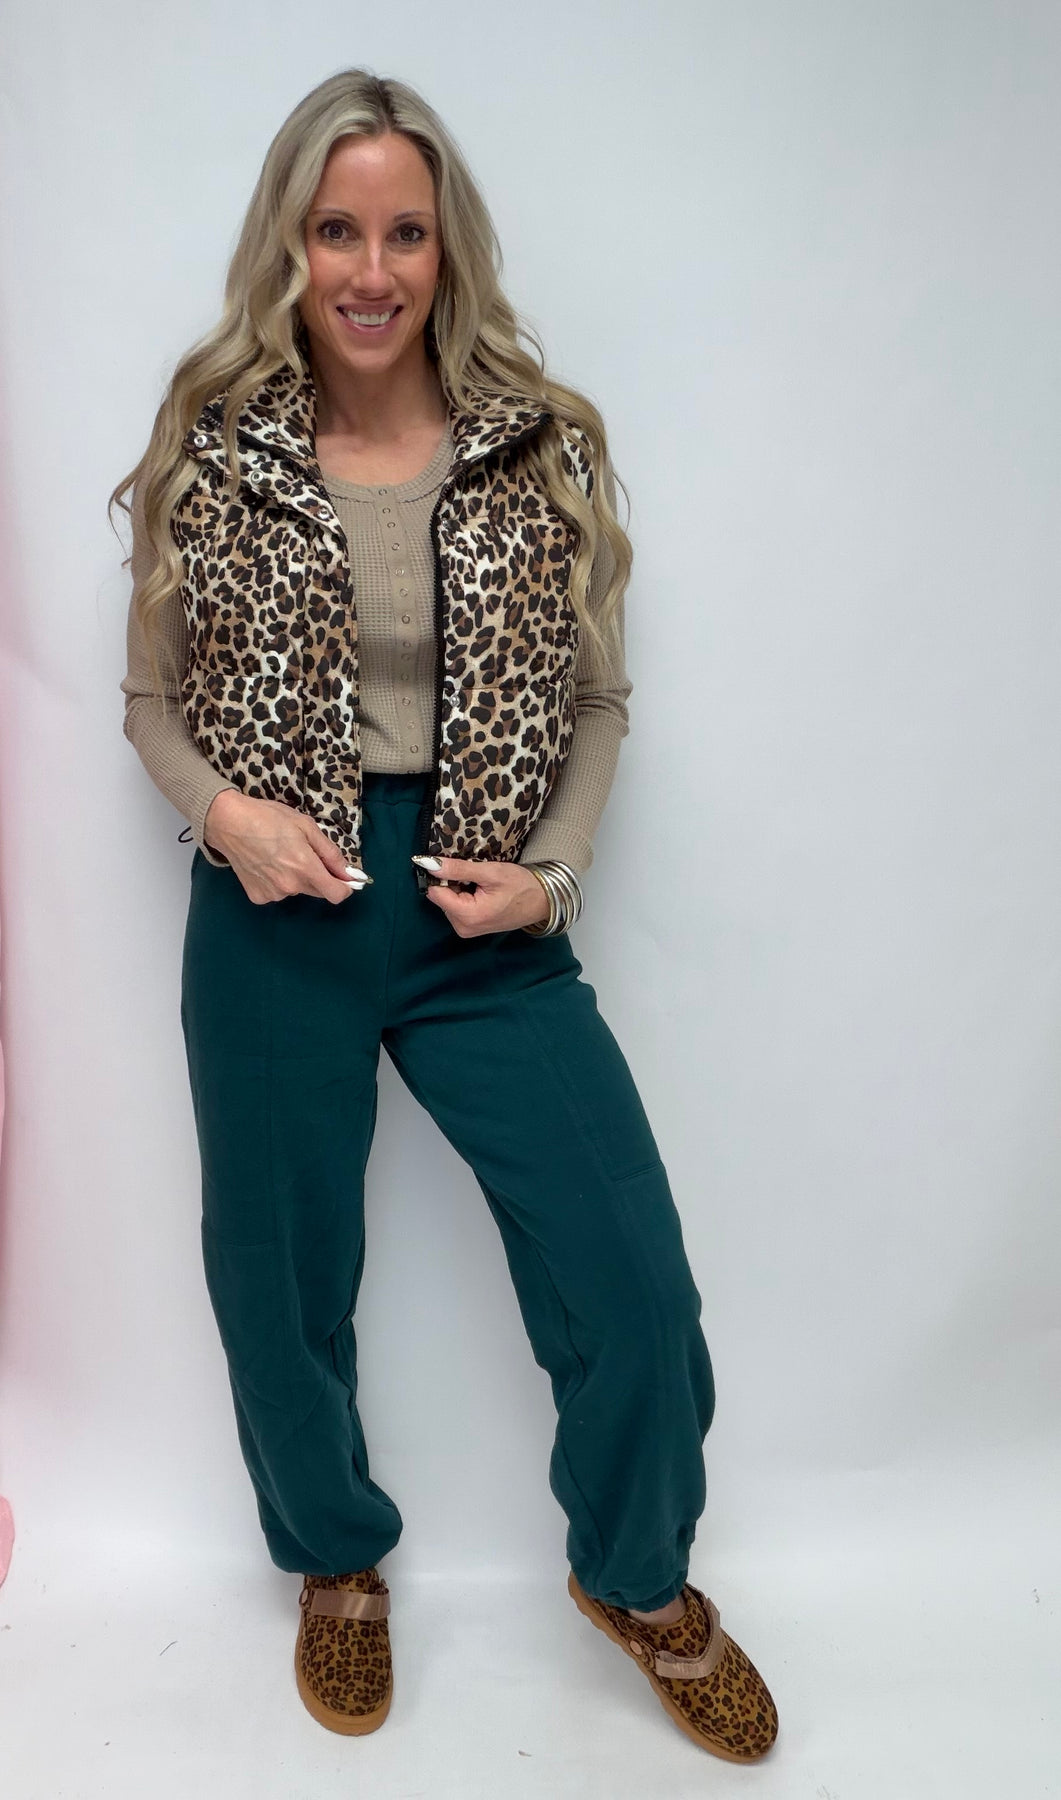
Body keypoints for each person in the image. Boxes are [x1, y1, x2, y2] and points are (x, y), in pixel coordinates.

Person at [115, 68, 778, 1762]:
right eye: (335, 230)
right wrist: (230, 821)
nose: (369, 269)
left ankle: (634, 1577)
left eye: (403, 232)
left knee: (631, 1282)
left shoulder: (538, 442)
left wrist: (552, 877)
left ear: (445, 249)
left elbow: (602, 703)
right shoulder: (212, 445)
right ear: (289, 245)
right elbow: (152, 705)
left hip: (485, 919)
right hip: (277, 909)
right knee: (279, 1279)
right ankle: (335, 1557)